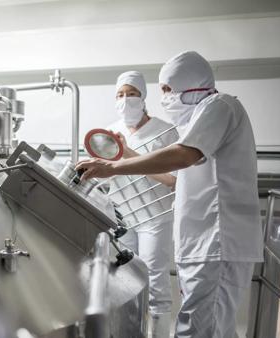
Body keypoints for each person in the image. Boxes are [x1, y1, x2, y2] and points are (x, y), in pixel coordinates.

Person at [78, 51, 263, 338]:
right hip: (200, 240)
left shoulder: (220, 105)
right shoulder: (198, 116)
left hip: (217, 239)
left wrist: (114, 166)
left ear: (191, 85)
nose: (164, 97)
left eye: (168, 89)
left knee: (200, 329)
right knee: (210, 327)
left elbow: (182, 156)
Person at [108, 71, 178, 338]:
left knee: (155, 283)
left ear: (143, 97)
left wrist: (126, 153)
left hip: (155, 218)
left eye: (132, 94)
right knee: (124, 283)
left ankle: (158, 334)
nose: (125, 100)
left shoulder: (166, 132)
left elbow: (173, 180)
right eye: (120, 95)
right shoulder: (111, 131)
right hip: (122, 220)